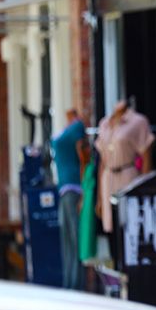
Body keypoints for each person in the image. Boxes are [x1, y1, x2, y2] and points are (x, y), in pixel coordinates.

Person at [95, 100, 154, 237]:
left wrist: (144, 190)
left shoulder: (138, 122)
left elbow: (146, 156)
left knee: (129, 224)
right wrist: (99, 197)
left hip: (127, 175)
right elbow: (102, 162)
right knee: (110, 226)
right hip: (108, 177)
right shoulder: (104, 123)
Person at [51, 108, 88, 289]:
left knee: (75, 241)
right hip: (63, 190)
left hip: (74, 189)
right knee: (66, 240)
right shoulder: (67, 128)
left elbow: (83, 158)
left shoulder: (77, 127)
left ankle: (77, 286)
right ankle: (69, 285)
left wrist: (84, 190)